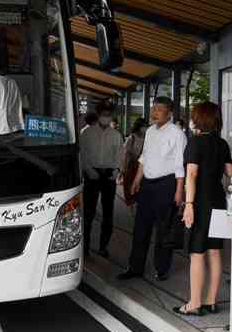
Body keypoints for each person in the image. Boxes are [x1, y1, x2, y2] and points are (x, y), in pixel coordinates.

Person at [174, 102, 232, 316]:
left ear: (198, 119)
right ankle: (211, 301)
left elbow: (191, 174)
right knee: (215, 252)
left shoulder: (194, 143)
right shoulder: (222, 144)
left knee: (197, 253)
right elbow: (231, 173)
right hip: (218, 201)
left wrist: (189, 205)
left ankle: (194, 304)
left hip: (200, 202)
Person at [118, 97, 187, 282]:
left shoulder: (177, 133)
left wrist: (179, 191)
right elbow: (144, 157)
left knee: (164, 230)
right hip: (147, 185)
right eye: (153, 108)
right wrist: (137, 180)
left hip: (167, 185)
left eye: (158, 109)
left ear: (169, 112)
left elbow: (180, 164)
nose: (154, 112)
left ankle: (162, 269)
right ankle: (135, 267)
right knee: (141, 227)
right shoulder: (150, 131)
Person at [79, 105, 123, 257]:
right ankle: (84, 248)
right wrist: (89, 170)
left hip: (109, 175)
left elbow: (119, 154)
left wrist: (117, 170)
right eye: (103, 114)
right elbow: (82, 154)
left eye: (109, 115)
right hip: (92, 174)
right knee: (88, 213)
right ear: (98, 115)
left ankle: (103, 247)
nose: (106, 117)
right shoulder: (87, 133)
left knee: (108, 213)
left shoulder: (116, 135)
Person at [117, 117, 147, 206]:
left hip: (143, 168)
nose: (145, 128)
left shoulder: (148, 138)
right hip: (131, 167)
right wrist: (122, 169)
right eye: (143, 126)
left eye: (146, 126)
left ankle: (138, 203)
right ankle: (132, 204)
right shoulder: (132, 138)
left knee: (141, 188)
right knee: (129, 188)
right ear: (138, 127)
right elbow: (124, 154)